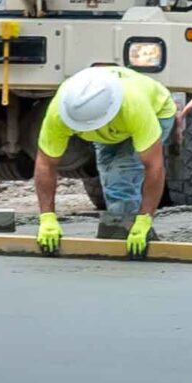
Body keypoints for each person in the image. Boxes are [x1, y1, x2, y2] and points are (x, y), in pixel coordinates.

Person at [34, 64, 177, 259]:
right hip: (112, 128)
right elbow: (45, 162)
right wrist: (47, 217)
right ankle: (122, 225)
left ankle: (128, 233)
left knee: (122, 174)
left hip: (158, 111)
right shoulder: (60, 111)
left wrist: (145, 219)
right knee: (110, 175)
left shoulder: (133, 106)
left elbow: (154, 166)